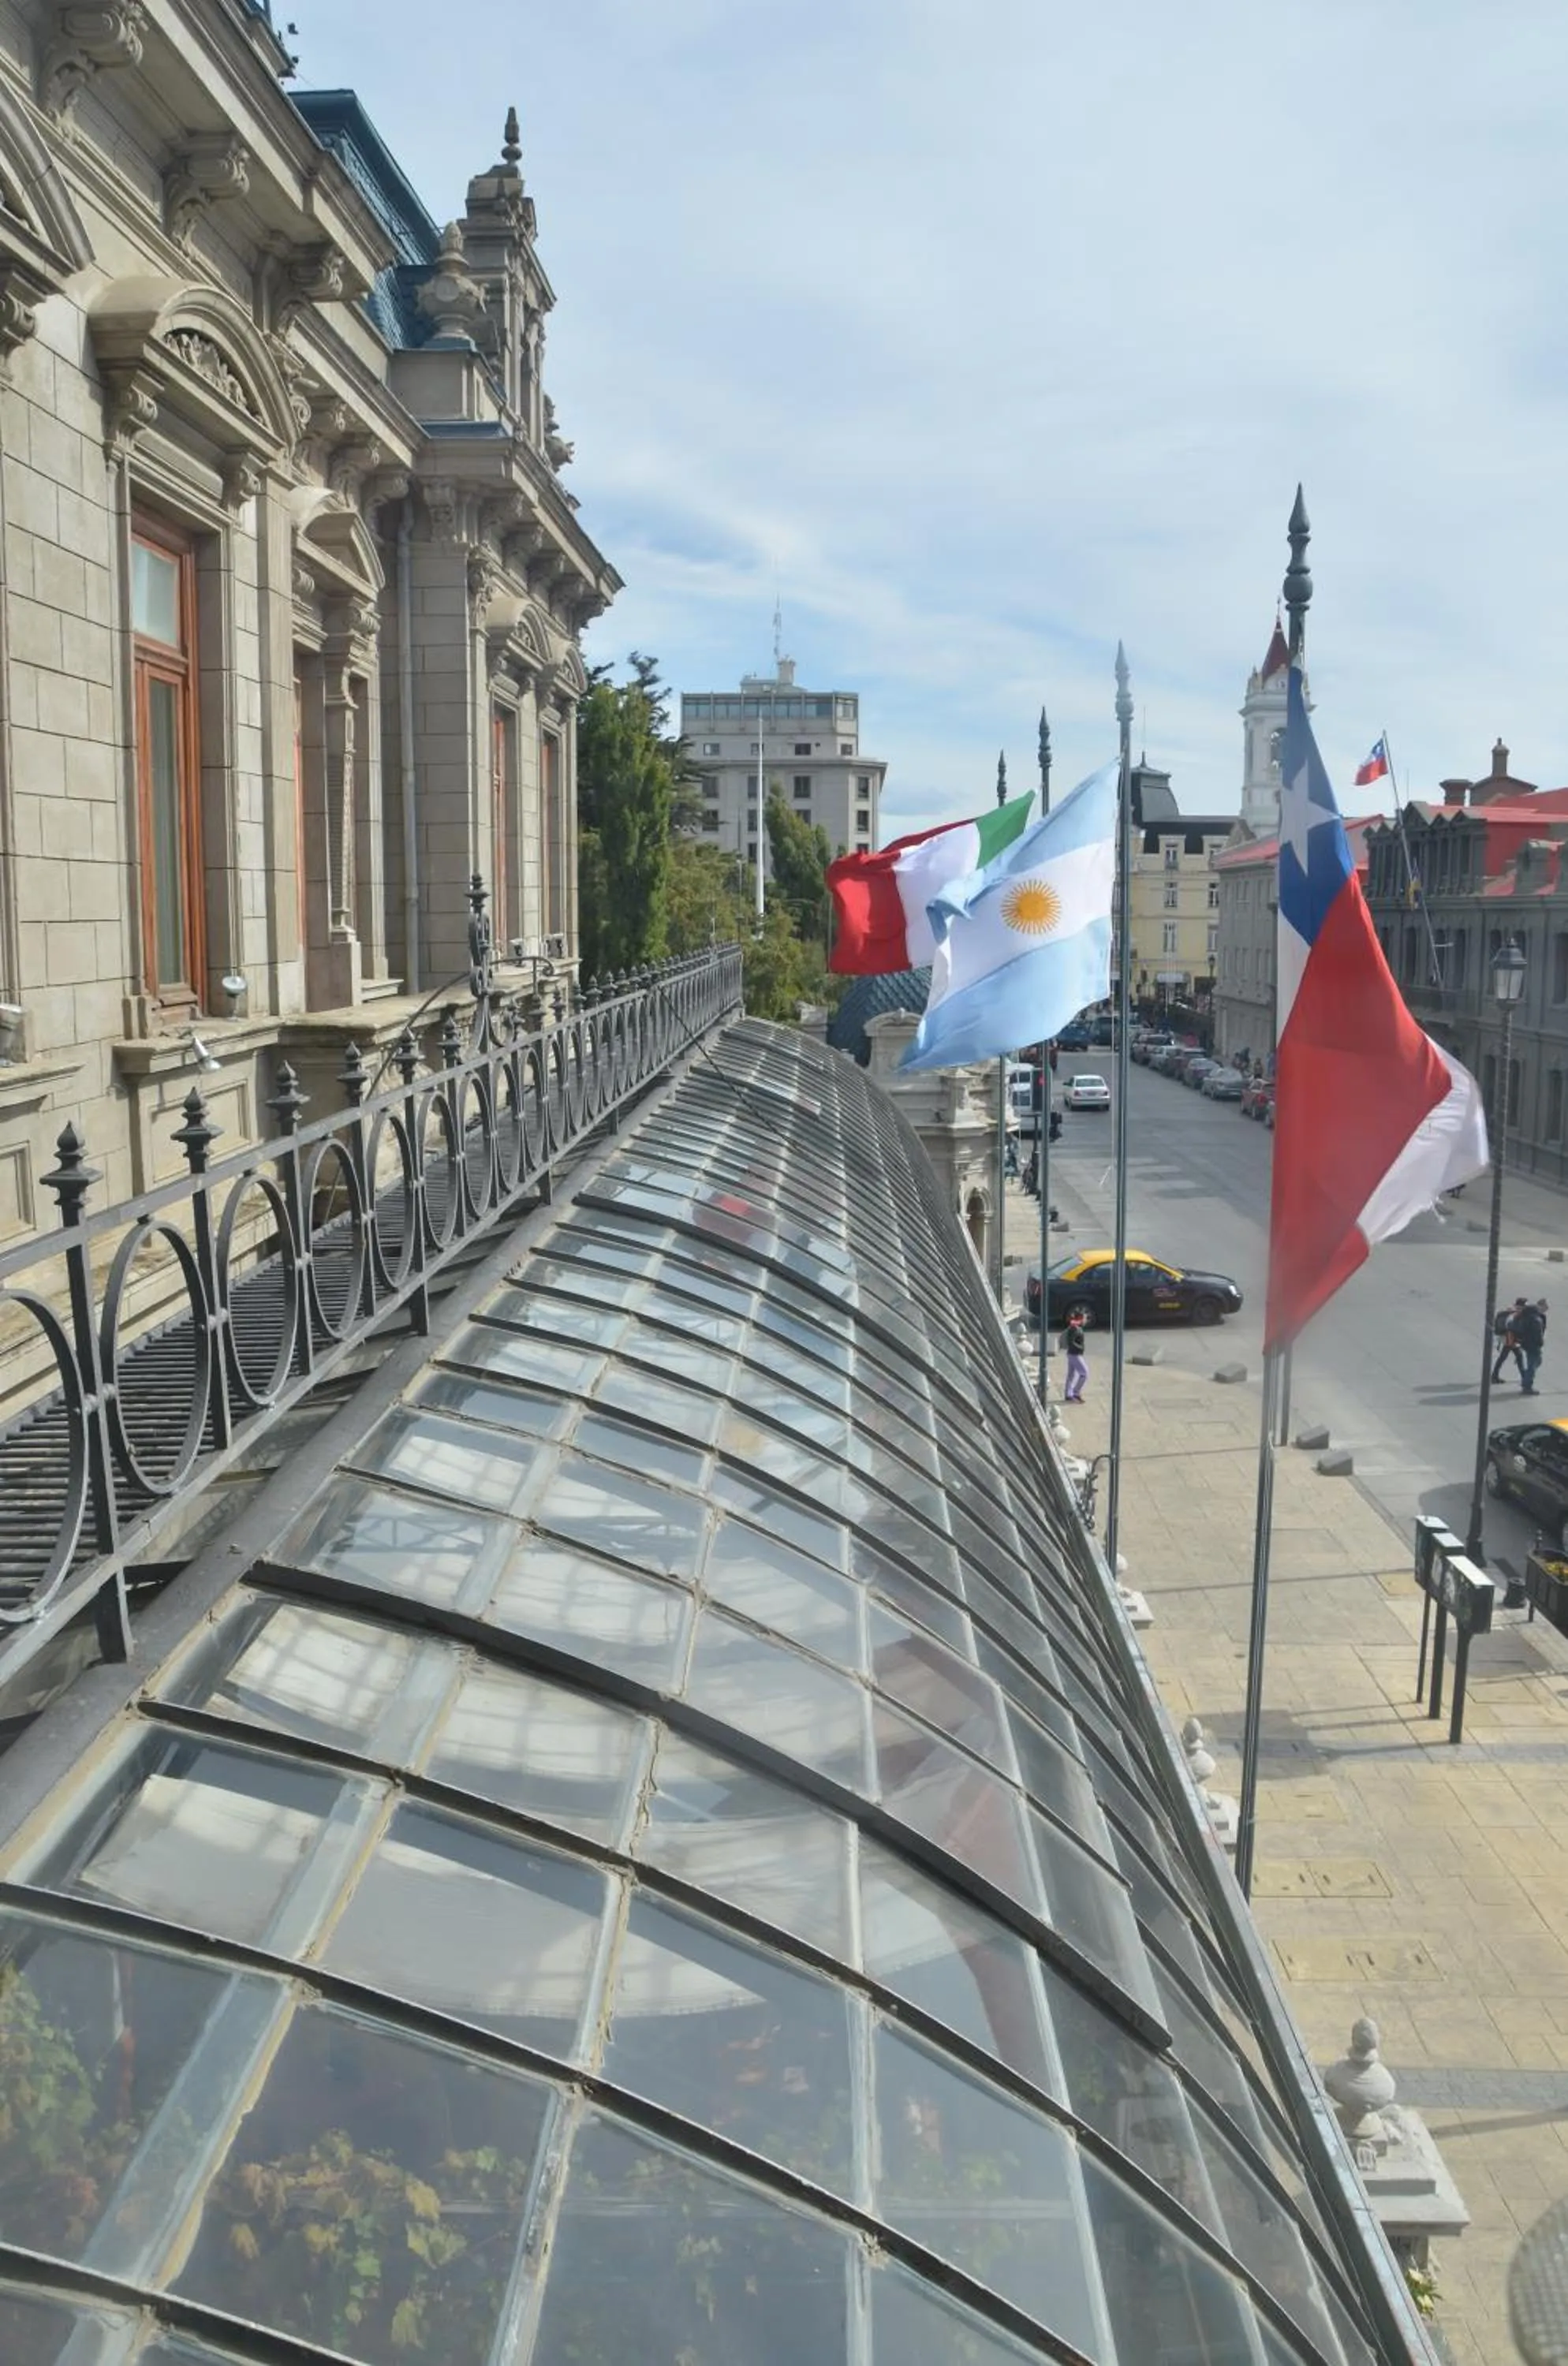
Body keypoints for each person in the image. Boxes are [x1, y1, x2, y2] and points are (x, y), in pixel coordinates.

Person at [1514, 1297, 1546, 1395]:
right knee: (1533, 1364)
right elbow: (1538, 1334)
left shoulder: (1525, 1318)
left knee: (1534, 1363)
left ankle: (1526, 1380)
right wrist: (1540, 1342)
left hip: (1527, 1344)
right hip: (1534, 1345)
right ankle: (1527, 1385)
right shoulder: (1536, 1320)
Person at [1493, 1299, 1527, 1386]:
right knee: (1516, 1357)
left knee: (1509, 1357)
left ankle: (1494, 1375)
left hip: (1508, 1338)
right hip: (1511, 1339)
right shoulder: (1516, 1314)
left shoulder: (1509, 1312)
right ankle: (1524, 1377)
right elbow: (1513, 1327)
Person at [1063, 1307, 1089, 1403]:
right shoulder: (1075, 1328)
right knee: (1084, 1373)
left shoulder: (1075, 1327)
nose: (1086, 1320)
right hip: (1075, 1354)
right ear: (1081, 1318)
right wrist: (1081, 1348)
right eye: (1085, 1318)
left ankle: (1068, 1394)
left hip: (1072, 1353)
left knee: (1071, 1374)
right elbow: (1071, 1342)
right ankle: (1076, 1392)